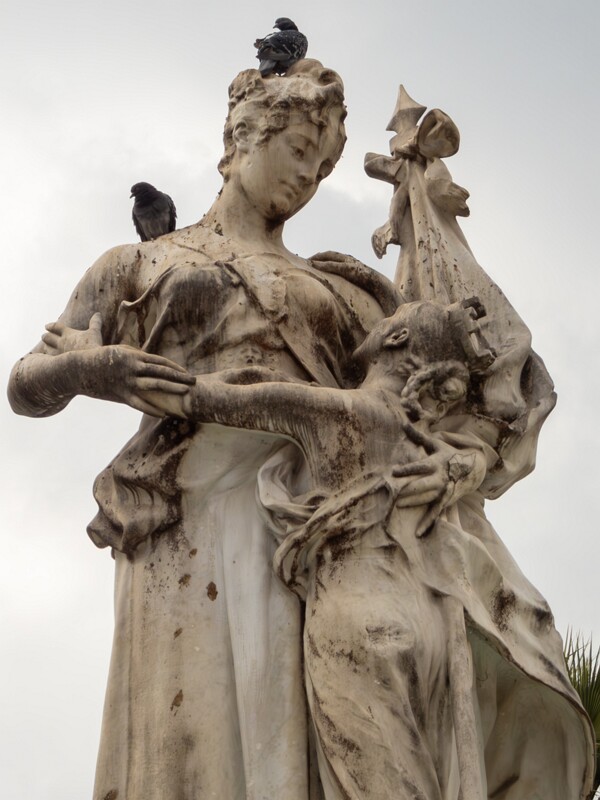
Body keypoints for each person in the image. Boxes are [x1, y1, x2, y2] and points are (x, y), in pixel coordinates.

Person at [8, 59, 594, 799]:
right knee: (198, 739)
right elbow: (27, 384)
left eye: (322, 168)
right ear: (241, 140)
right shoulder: (140, 262)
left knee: (304, 738)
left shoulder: (340, 286)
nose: (307, 179)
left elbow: (436, 392)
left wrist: (430, 222)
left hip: (308, 525)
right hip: (185, 518)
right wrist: (93, 372)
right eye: (297, 152)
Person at [173, 300, 594, 800]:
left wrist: (93, 361)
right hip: (431, 619)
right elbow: (480, 451)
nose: (382, 319)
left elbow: (187, 396)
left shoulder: (334, 411)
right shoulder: (436, 448)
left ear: (395, 341)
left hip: (361, 621)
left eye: (394, 318)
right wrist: (467, 468)